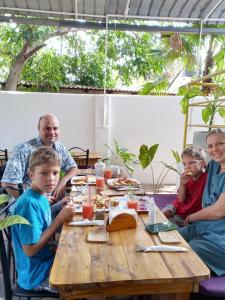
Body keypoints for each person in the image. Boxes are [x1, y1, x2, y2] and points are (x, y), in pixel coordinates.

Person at [11, 147, 75, 291]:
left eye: (55, 173)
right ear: (31, 175)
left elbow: (41, 217)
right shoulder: (28, 204)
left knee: (78, 252)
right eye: (44, 173)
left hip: (44, 261)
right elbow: (30, 250)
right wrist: (59, 219)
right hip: (36, 275)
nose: (51, 179)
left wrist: (59, 205)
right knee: (81, 273)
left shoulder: (39, 194)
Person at [178, 129, 225, 276]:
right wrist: (183, 184)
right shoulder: (213, 166)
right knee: (173, 238)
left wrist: (191, 217)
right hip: (205, 225)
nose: (214, 149)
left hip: (221, 234)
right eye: (210, 146)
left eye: (220, 144)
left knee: (190, 249)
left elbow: (219, 211)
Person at [1, 114, 78, 201]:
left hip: (50, 203)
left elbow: (74, 168)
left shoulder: (60, 148)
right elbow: (8, 183)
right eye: (47, 128)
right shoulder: (23, 150)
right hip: (26, 209)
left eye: (55, 128)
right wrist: (36, 200)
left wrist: (62, 182)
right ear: (39, 129)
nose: (52, 132)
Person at [162, 146, 207, 226]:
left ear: (203, 163)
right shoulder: (185, 176)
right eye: (184, 164)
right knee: (159, 216)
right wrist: (182, 184)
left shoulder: (206, 178)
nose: (187, 167)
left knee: (167, 227)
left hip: (191, 213)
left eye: (191, 163)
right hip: (177, 206)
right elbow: (180, 200)